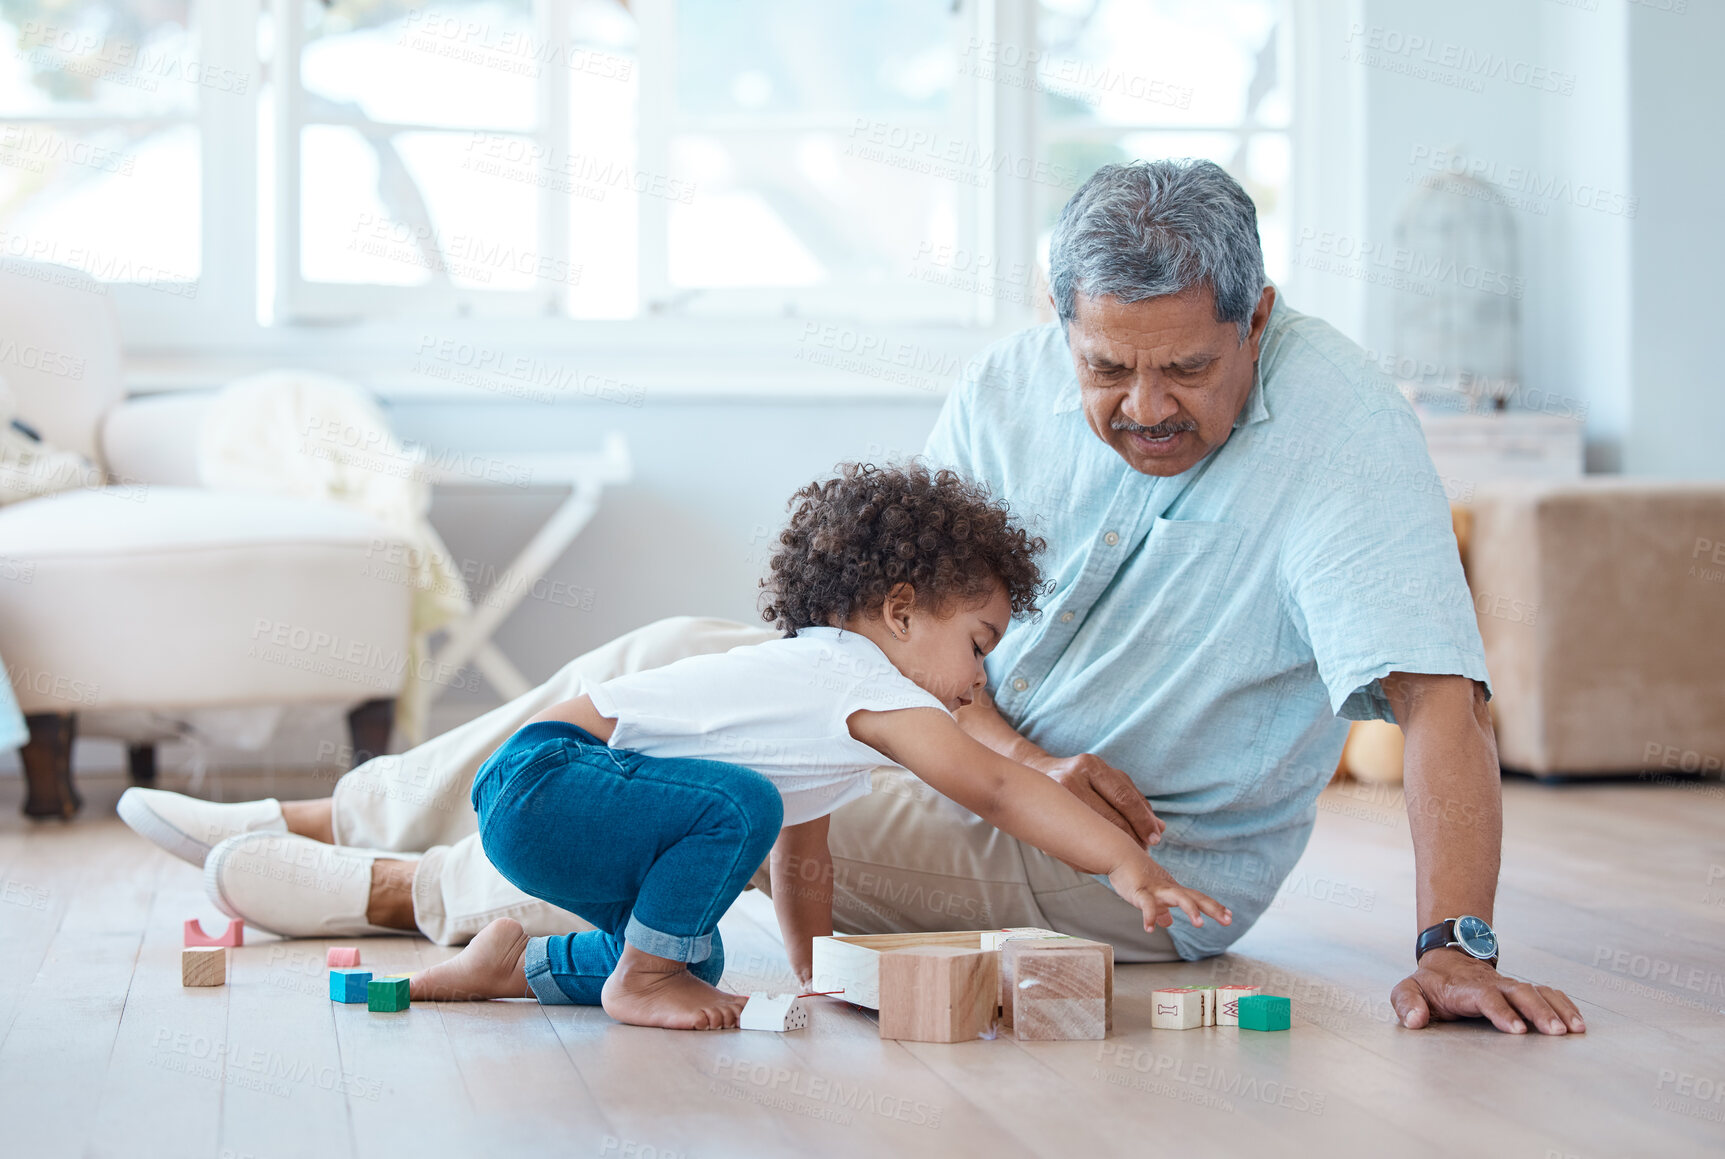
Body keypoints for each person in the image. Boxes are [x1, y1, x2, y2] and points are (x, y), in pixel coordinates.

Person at [121, 158, 1583, 1036]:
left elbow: (1440, 700)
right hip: (969, 753)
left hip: (1127, 861)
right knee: (677, 658)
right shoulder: (1011, 383)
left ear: (1255, 317)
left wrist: (1453, 944)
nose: (1141, 404)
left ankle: (389, 882)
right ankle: (337, 814)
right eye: (1105, 367)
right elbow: (900, 644)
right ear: (1054, 319)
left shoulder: (1343, 431)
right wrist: (1016, 747)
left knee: (721, 773)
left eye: (1186, 370)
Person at [404, 463, 1227, 1029]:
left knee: (695, 942)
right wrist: (1126, 863)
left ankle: (513, 964)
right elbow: (1000, 790)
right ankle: (641, 980)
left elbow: (804, 862)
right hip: (550, 776)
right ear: (899, 611)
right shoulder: (861, 679)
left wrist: (814, 972)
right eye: (978, 645)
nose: (981, 682)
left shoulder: (821, 721)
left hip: (550, 794)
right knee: (741, 810)